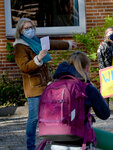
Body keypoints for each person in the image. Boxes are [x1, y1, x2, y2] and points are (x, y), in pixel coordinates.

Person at [13, 17, 76, 150]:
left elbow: (51, 44)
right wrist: (38, 58)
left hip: (46, 85)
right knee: (34, 118)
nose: (29, 30)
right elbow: (24, 67)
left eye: (31, 27)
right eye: (26, 28)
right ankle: (30, 146)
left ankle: (51, 143)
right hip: (34, 88)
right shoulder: (20, 46)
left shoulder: (35, 40)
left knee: (50, 116)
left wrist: (68, 44)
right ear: (20, 30)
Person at [50, 51, 110, 149]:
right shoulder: (88, 88)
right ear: (87, 68)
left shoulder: (55, 85)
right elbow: (105, 114)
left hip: (55, 139)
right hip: (79, 140)